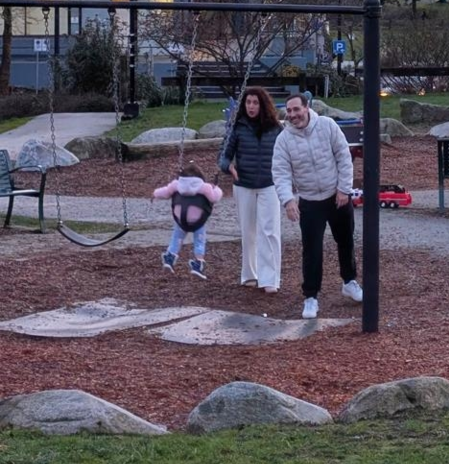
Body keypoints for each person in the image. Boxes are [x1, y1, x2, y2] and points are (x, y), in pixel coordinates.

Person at [271, 93, 363, 320]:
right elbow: (281, 173)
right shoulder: (284, 140)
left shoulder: (327, 126)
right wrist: (288, 200)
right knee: (311, 249)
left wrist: (344, 188)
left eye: (296, 110)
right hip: (310, 201)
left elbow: (343, 156)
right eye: (289, 112)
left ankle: (349, 281)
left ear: (307, 107)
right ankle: (311, 296)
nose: (293, 115)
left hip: (336, 196)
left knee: (345, 240)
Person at [218, 86, 283, 293]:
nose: (251, 107)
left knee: (270, 231)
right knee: (249, 231)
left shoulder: (275, 128)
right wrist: (228, 166)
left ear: (262, 105)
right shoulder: (237, 127)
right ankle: (250, 274)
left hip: (269, 184)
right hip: (244, 184)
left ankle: (270, 278)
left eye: (255, 103)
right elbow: (224, 155)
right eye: (248, 103)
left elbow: (286, 153)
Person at [153, 161, 223, 279]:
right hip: (198, 220)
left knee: (176, 238)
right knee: (199, 242)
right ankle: (198, 264)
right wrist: (216, 188)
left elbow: (164, 192)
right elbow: (215, 197)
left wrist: (154, 193)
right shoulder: (204, 187)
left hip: (181, 219)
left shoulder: (176, 184)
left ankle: (169, 258)